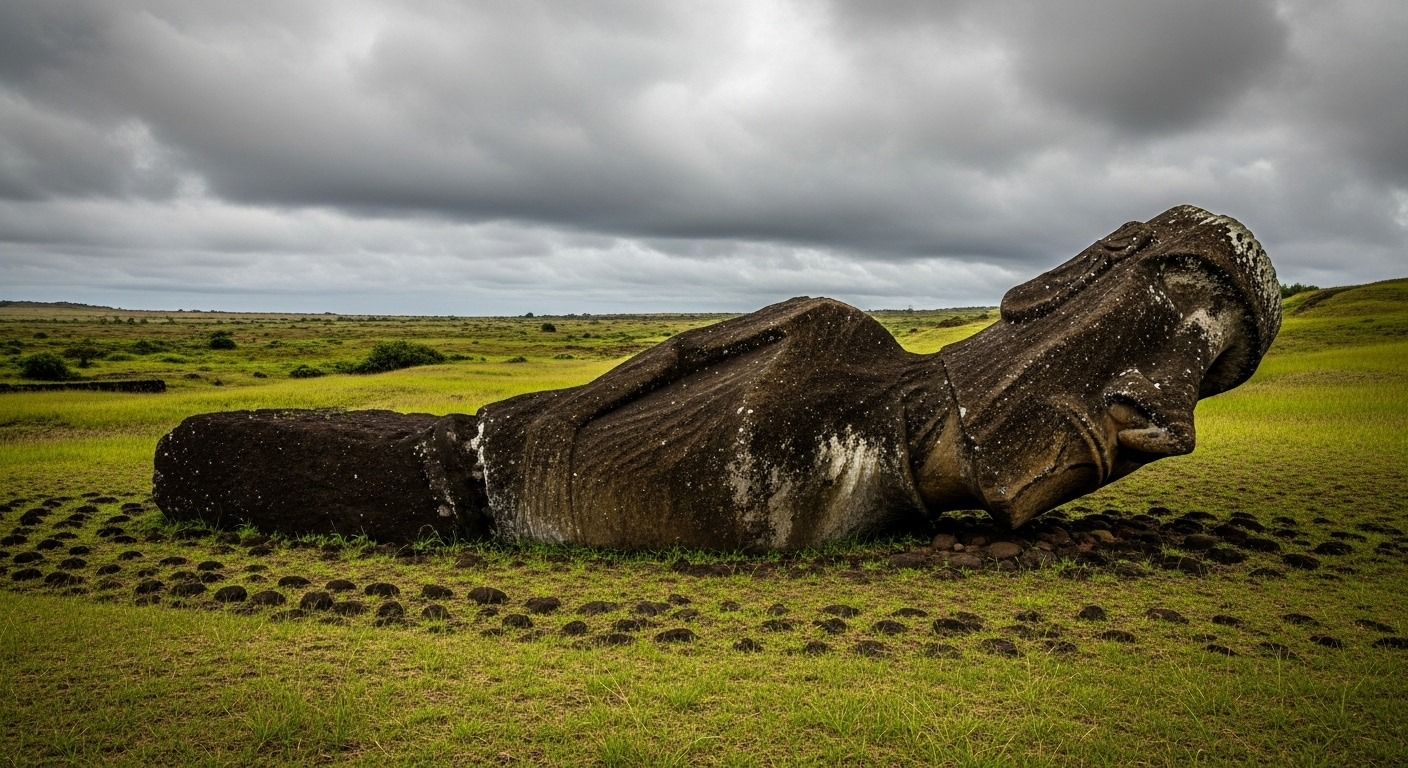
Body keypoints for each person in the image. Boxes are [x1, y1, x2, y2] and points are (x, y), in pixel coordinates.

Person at [154, 205, 1279, 549]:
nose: (1165, 420)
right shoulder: (826, 344)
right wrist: (544, 430)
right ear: (1071, 280)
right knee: (444, 474)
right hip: (497, 462)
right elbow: (639, 381)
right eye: (1171, 320)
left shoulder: (873, 469)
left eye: (1207, 379)